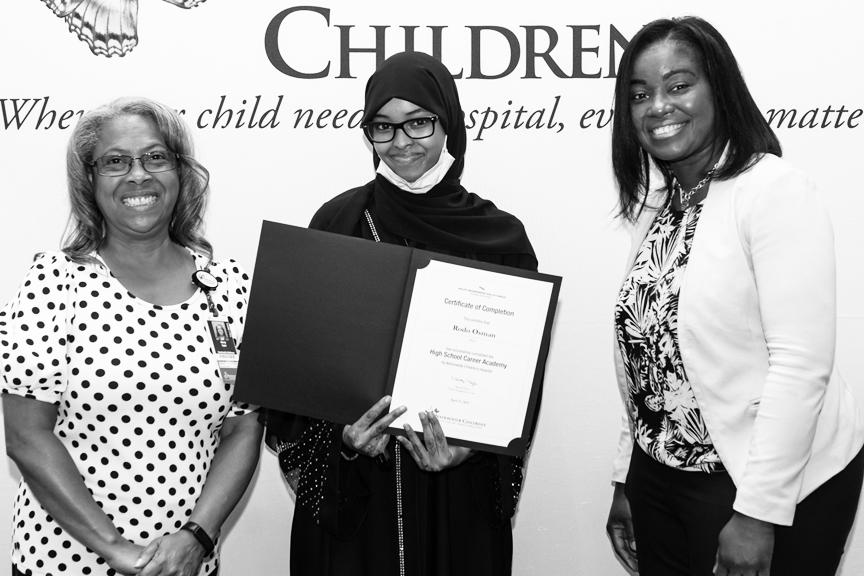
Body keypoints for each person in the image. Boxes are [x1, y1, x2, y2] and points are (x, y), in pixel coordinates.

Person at [604, 16, 864, 576]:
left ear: (718, 89)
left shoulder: (773, 191)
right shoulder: (659, 207)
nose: (658, 106)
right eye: (640, 94)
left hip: (763, 483)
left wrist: (758, 513)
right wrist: (629, 476)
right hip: (663, 475)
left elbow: (800, 366)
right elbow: (646, 359)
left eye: (678, 85)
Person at [263, 51, 539, 576]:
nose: (402, 141)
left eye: (418, 122)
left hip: (454, 492)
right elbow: (301, 372)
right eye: (382, 127)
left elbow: (517, 380)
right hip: (355, 497)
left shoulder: (500, 236)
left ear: (448, 123)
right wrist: (341, 439)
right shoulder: (336, 222)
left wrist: (467, 450)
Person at [1, 97, 263, 576]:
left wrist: (195, 539)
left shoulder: (229, 287)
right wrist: (119, 552)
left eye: (155, 157)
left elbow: (243, 426)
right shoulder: (55, 281)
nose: (138, 175)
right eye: (115, 162)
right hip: (63, 564)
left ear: (180, 172)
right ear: (90, 180)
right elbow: (25, 436)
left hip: (187, 566)